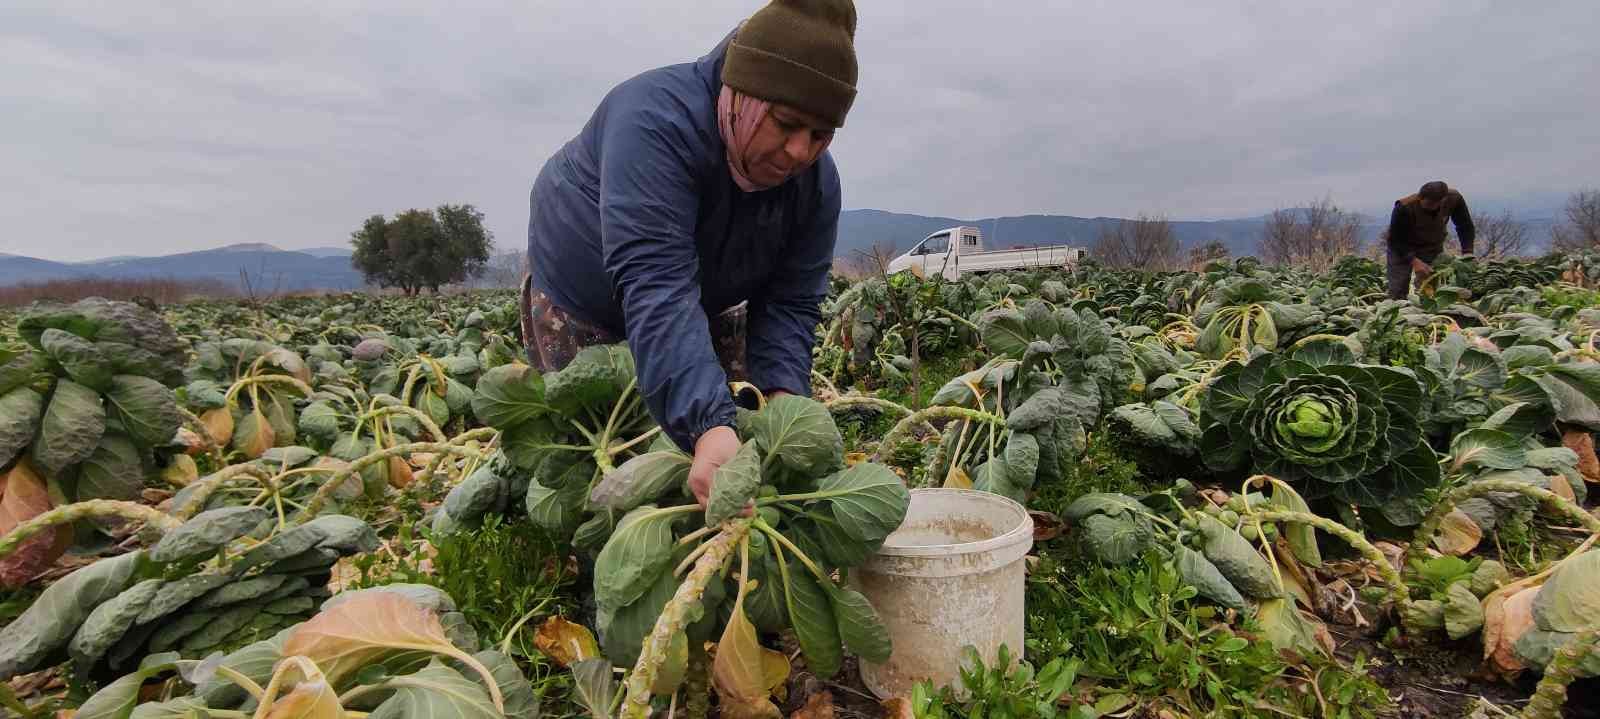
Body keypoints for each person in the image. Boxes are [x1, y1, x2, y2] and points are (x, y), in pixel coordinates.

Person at [522, 0, 858, 507]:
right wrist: (705, 422)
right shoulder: (654, 121)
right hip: (584, 295)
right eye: (786, 124)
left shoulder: (816, 183)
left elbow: (791, 300)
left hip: (702, 298)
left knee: (723, 449)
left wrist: (784, 401)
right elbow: (656, 282)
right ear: (743, 94)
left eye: (820, 134)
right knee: (606, 474)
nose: (799, 152)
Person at [1385, 180, 1476, 299]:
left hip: (1431, 246)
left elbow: (1465, 226)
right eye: (1422, 201)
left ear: (1442, 200)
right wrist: (1415, 261)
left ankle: (1426, 311)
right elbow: (1395, 240)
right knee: (1398, 289)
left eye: (1429, 204)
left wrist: (1467, 252)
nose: (1424, 205)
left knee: (1430, 288)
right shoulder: (1404, 207)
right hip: (1401, 247)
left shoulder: (1454, 199)